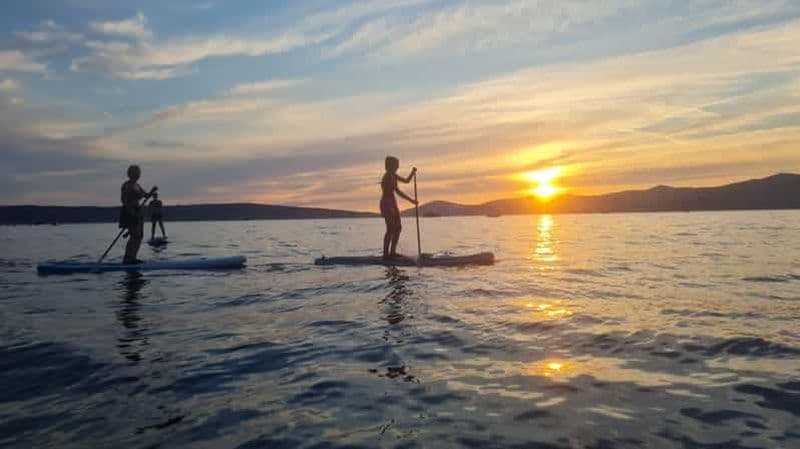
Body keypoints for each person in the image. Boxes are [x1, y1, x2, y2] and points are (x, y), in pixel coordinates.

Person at [119, 165, 157, 264]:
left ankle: (133, 258)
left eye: (138, 172)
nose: (138, 174)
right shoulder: (127, 185)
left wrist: (152, 191)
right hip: (129, 212)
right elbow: (124, 200)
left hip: (138, 211)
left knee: (139, 236)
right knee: (134, 235)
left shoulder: (137, 185)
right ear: (131, 174)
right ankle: (127, 258)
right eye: (137, 172)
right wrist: (131, 210)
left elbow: (146, 195)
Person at [380, 156, 417, 259]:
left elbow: (406, 181)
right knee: (390, 228)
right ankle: (386, 254)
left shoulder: (394, 175)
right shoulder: (387, 176)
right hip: (387, 203)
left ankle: (392, 252)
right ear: (391, 166)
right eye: (396, 164)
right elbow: (397, 191)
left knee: (398, 228)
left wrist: (412, 173)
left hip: (393, 203)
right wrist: (411, 200)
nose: (398, 166)